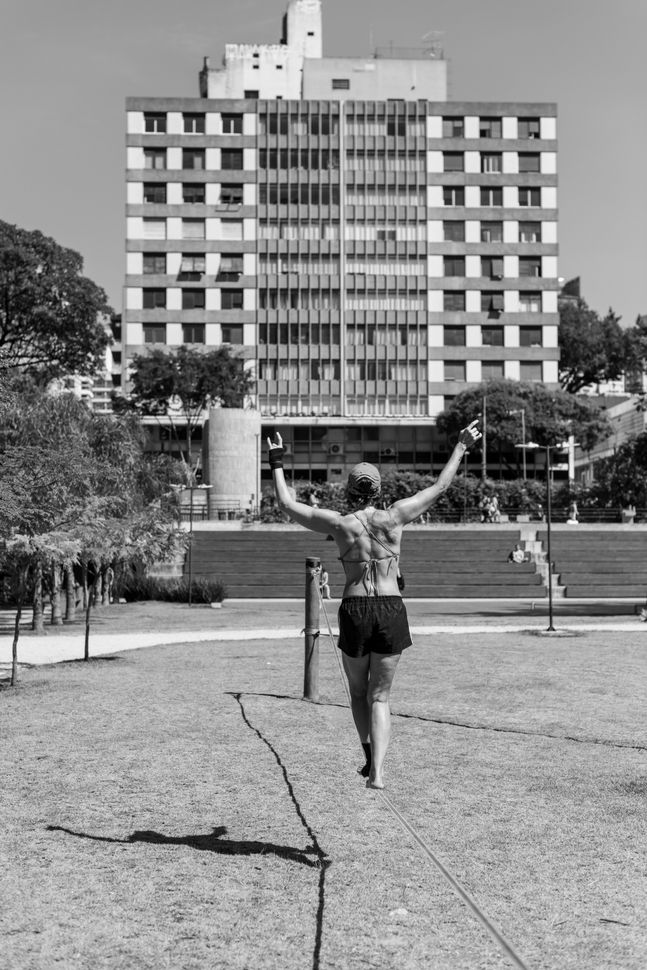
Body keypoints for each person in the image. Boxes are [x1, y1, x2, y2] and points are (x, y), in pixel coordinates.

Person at [267, 419, 482, 790]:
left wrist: (276, 459)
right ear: (379, 490)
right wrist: (461, 446)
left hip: (354, 610)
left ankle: (367, 755)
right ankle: (378, 773)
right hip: (390, 609)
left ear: (349, 491)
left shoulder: (339, 524)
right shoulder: (395, 517)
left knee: (357, 692)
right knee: (381, 696)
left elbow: (287, 504)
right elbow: (439, 486)